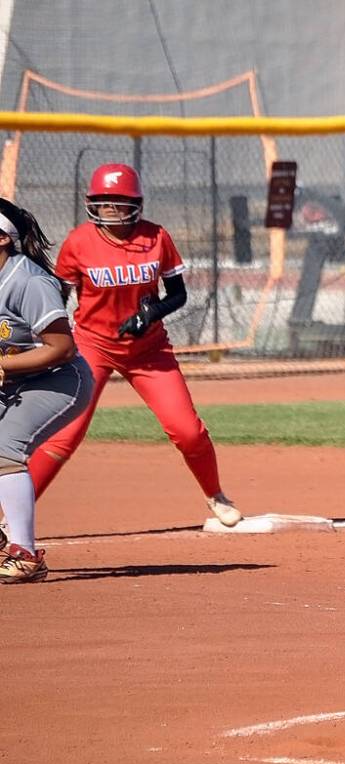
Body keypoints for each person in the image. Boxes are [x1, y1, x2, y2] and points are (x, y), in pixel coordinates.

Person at [25, 163, 242, 527]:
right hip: (91, 346)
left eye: (120, 201)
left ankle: (215, 494)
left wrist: (151, 313)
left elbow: (178, 294)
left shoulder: (156, 237)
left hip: (149, 350)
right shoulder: (78, 242)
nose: (112, 208)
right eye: (105, 201)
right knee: (66, 434)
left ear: (136, 204)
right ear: (92, 203)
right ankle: (10, 520)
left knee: (188, 430)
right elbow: (57, 298)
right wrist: (46, 338)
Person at [0, 198, 94, 583]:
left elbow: (62, 348)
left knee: (4, 447)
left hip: (59, 380)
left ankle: (25, 553)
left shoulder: (27, 281)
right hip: (16, 379)